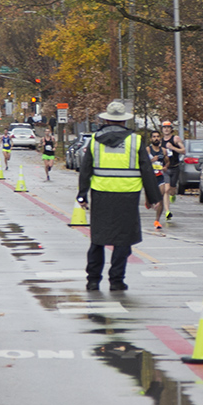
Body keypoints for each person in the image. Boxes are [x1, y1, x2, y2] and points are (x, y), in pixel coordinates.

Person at [77, 102, 162, 292]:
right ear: (124, 120)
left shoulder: (94, 140)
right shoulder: (135, 141)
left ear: (106, 119)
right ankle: (116, 280)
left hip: (101, 195)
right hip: (127, 196)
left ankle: (93, 280)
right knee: (123, 240)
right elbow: (146, 170)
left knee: (98, 239)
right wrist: (153, 197)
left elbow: (85, 170)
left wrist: (82, 195)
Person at [160, 120, 185, 219]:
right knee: (166, 189)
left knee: (172, 189)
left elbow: (183, 151)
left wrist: (173, 148)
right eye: (164, 128)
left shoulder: (175, 139)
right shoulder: (160, 141)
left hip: (175, 167)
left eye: (168, 127)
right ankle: (167, 211)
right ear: (162, 129)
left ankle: (173, 194)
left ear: (171, 129)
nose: (166, 129)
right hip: (165, 168)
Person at [146, 130, 169, 230]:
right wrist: (152, 160)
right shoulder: (148, 149)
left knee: (161, 197)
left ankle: (157, 220)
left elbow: (167, 162)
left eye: (157, 137)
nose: (156, 138)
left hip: (160, 176)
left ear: (160, 138)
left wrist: (165, 167)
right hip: (150, 177)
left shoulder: (163, 150)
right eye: (154, 137)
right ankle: (148, 201)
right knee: (149, 203)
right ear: (151, 139)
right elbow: (143, 162)